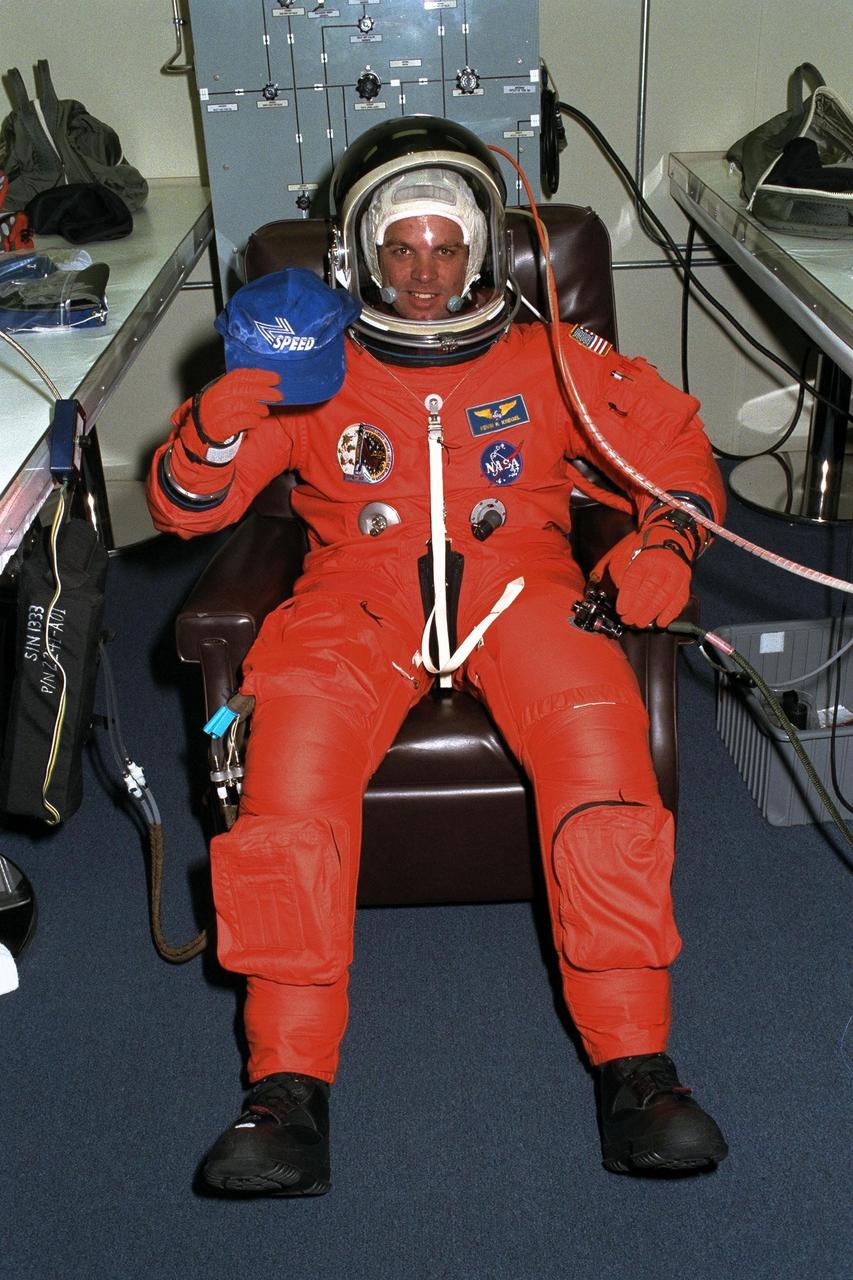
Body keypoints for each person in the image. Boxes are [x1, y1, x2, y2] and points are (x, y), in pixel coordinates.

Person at [146, 117, 728, 1194]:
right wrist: (215, 430)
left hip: (524, 587)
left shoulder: (553, 355)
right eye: (402, 248)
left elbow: (675, 448)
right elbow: (189, 508)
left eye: (447, 248)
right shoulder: (309, 363)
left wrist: (667, 540)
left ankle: (638, 1071)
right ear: (361, 254)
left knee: (603, 772)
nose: (424, 275)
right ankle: (284, 1090)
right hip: (353, 596)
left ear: (483, 253)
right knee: (288, 790)